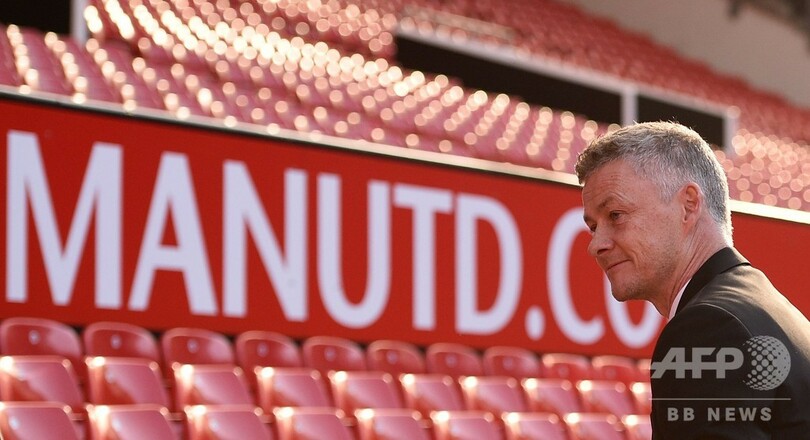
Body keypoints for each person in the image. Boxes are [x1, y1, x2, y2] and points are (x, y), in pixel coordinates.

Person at [575, 121, 810, 439]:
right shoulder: (767, 307)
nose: (596, 245)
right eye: (593, 227)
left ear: (688, 205)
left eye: (616, 215)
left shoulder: (708, 329)